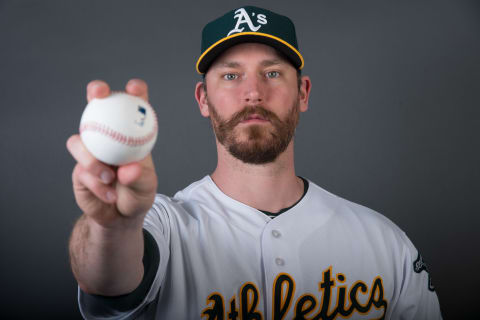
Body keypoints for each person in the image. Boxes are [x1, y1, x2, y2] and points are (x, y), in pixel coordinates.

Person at [67, 6, 442, 320]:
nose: (253, 93)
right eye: (231, 75)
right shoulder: (163, 226)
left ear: (303, 93)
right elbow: (108, 282)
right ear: (203, 99)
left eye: (272, 73)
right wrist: (112, 227)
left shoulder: (384, 244)